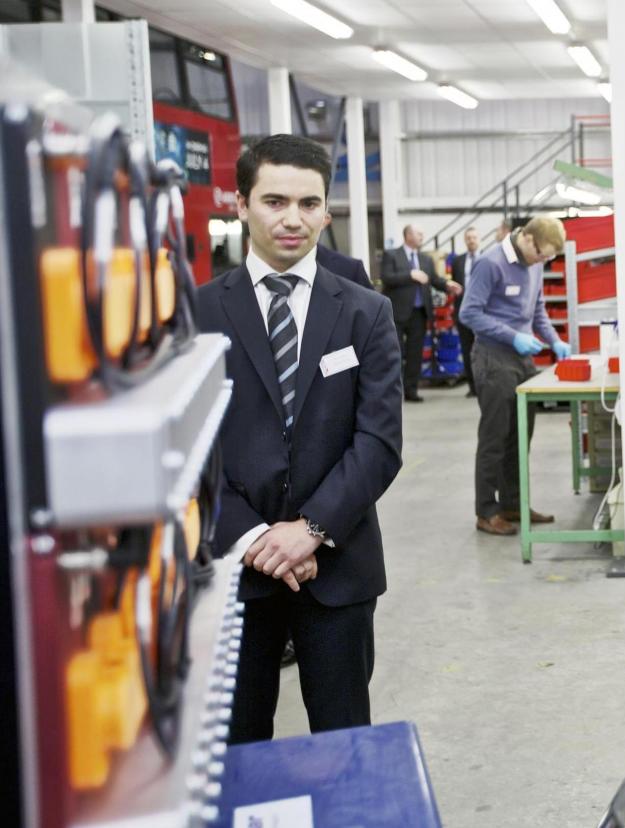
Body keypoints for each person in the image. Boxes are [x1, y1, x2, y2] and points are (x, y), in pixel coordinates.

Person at [196, 134, 403, 744]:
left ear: (326, 211)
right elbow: (192, 444)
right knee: (237, 746)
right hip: (236, 566)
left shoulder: (366, 312)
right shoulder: (199, 312)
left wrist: (308, 530)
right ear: (241, 204)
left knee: (344, 740)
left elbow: (379, 441)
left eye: (309, 203)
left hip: (336, 567)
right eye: (275, 200)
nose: (293, 218)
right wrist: (259, 537)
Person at [459, 216, 571, 536]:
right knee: (495, 436)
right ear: (526, 239)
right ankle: (486, 510)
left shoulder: (534, 264)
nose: (544, 262)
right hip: (493, 358)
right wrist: (512, 336)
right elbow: (469, 313)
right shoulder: (490, 264)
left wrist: (554, 340)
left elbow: (537, 310)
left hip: (523, 360)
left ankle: (512, 503)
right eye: (542, 255)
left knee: (520, 435)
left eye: (549, 258)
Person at [379, 224, 462, 402]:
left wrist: (448, 285)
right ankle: (393, 392)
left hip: (419, 313)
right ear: (408, 235)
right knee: (395, 354)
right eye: (419, 233)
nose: (422, 236)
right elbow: (386, 277)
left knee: (415, 354)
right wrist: (410, 275)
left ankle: (411, 390)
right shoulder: (392, 255)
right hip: (397, 314)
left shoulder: (426, 260)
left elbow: (433, 280)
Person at [451, 226, 481, 397]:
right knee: (467, 349)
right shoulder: (458, 261)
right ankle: (472, 387)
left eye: (474, 237)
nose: (471, 240)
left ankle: (483, 384)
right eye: (468, 237)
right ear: (465, 240)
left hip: (482, 312)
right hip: (463, 312)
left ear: (479, 239)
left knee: (483, 349)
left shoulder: (486, 258)